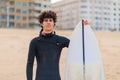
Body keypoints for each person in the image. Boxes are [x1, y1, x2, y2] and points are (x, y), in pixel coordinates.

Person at [26, 10, 89, 80]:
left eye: (50, 20)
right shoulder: (35, 42)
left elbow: (77, 45)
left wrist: (84, 28)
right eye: (46, 20)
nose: (48, 22)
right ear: (41, 23)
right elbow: (30, 64)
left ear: (54, 23)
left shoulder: (59, 40)